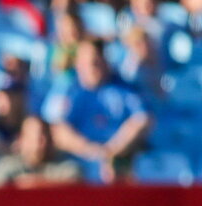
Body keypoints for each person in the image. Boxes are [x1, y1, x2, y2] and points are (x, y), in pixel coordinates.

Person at [47, 38, 152, 183]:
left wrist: (112, 150)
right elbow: (57, 130)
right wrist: (90, 150)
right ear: (77, 64)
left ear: (105, 61)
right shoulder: (69, 89)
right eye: (85, 62)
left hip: (121, 157)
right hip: (78, 160)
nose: (91, 67)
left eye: (96, 61)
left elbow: (143, 121)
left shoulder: (125, 89)